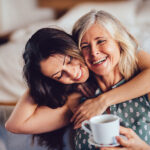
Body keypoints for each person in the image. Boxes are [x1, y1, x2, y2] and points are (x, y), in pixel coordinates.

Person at [5, 25, 150, 149]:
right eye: (59, 75)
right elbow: (16, 125)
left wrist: (102, 101)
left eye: (69, 60)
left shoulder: (138, 79)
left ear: (75, 46)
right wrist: (38, 82)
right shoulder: (77, 102)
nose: (73, 73)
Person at [71, 10, 150, 149]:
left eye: (101, 41)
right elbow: (19, 125)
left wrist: (103, 101)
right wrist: (56, 73)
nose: (94, 52)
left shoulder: (143, 91)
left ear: (119, 42)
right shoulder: (79, 100)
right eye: (84, 46)